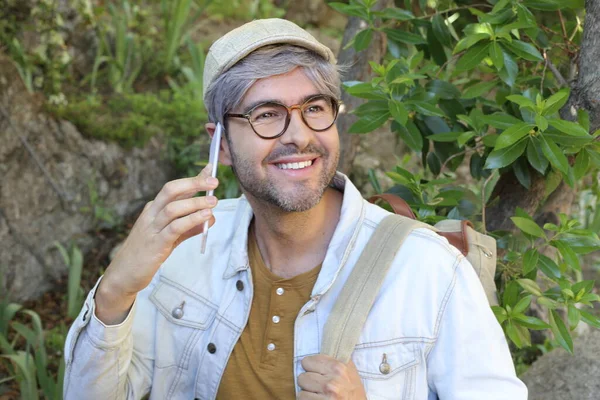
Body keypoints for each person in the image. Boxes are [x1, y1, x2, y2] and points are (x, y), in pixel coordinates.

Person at [63, 18, 528, 399]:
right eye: (266, 114)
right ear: (220, 145)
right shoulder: (183, 250)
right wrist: (116, 292)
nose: (298, 135)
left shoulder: (431, 273)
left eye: (315, 108)